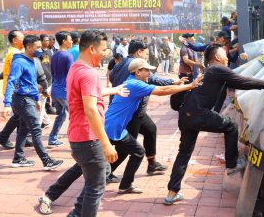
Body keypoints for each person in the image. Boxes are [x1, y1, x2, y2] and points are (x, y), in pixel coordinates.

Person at [165, 44, 264, 205]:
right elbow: (242, 80)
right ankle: (231, 165)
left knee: (184, 154)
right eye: (224, 55)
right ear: (216, 58)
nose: (227, 57)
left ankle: (172, 193)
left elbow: (227, 89)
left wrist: (215, 113)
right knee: (231, 126)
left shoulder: (209, 71)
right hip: (197, 114)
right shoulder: (218, 69)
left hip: (186, 116)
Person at [41, 30, 127, 217]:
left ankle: (74, 213)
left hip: (79, 135)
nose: (106, 54)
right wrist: (105, 143)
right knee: (95, 188)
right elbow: (90, 109)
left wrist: (114, 90)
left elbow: (89, 94)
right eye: (103, 49)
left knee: (96, 179)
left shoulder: (77, 68)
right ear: (91, 48)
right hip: (88, 137)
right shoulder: (88, 73)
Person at [105, 58, 202, 194]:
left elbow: (163, 86)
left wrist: (177, 84)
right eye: (147, 71)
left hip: (114, 126)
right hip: (112, 127)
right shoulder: (135, 85)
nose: (149, 74)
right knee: (136, 152)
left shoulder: (133, 81)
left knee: (133, 149)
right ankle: (114, 180)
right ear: (138, 72)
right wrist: (190, 86)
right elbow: (163, 91)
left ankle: (119, 181)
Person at [108, 40, 187, 180]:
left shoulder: (120, 63)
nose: (146, 55)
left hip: (131, 108)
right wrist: (173, 82)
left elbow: (112, 76)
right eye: (145, 52)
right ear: (139, 52)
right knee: (129, 148)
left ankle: (151, 164)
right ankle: (108, 173)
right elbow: (154, 81)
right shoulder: (137, 69)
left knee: (150, 129)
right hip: (130, 111)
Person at [3, 35, 63, 170]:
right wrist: (6, 103)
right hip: (22, 100)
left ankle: (18, 158)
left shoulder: (32, 60)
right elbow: (11, 81)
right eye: (37, 47)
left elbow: (31, 83)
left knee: (23, 129)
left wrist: (36, 99)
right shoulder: (19, 62)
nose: (40, 49)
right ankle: (47, 161)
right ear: (29, 47)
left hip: (29, 99)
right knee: (36, 129)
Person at [0, 30, 32, 149]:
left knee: (20, 116)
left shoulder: (16, 52)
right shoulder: (14, 54)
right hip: (13, 90)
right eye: (23, 37)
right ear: (15, 40)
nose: (25, 39)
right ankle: (3, 137)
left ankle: (20, 138)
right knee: (19, 116)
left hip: (15, 89)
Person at [48, 31, 73, 148]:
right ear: (64, 41)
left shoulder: (54, 55)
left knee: (62, 115)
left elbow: (52, 73)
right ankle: (77, 142)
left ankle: (52, 138)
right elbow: (71, 76)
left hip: (55, 90)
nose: (72, 41)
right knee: (76, 116)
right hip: (64, 91)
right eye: (70, 39)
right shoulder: (67, 56)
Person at [35, 34, 53, 128]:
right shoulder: (37, 53)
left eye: (48, 40)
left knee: (41, 105)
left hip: (48, 82)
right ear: (40, 41)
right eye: (45, 40)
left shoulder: (50, 51)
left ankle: (36, 127)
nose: (47, 42)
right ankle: (47, 121)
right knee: (40, 105)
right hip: (40, 82)